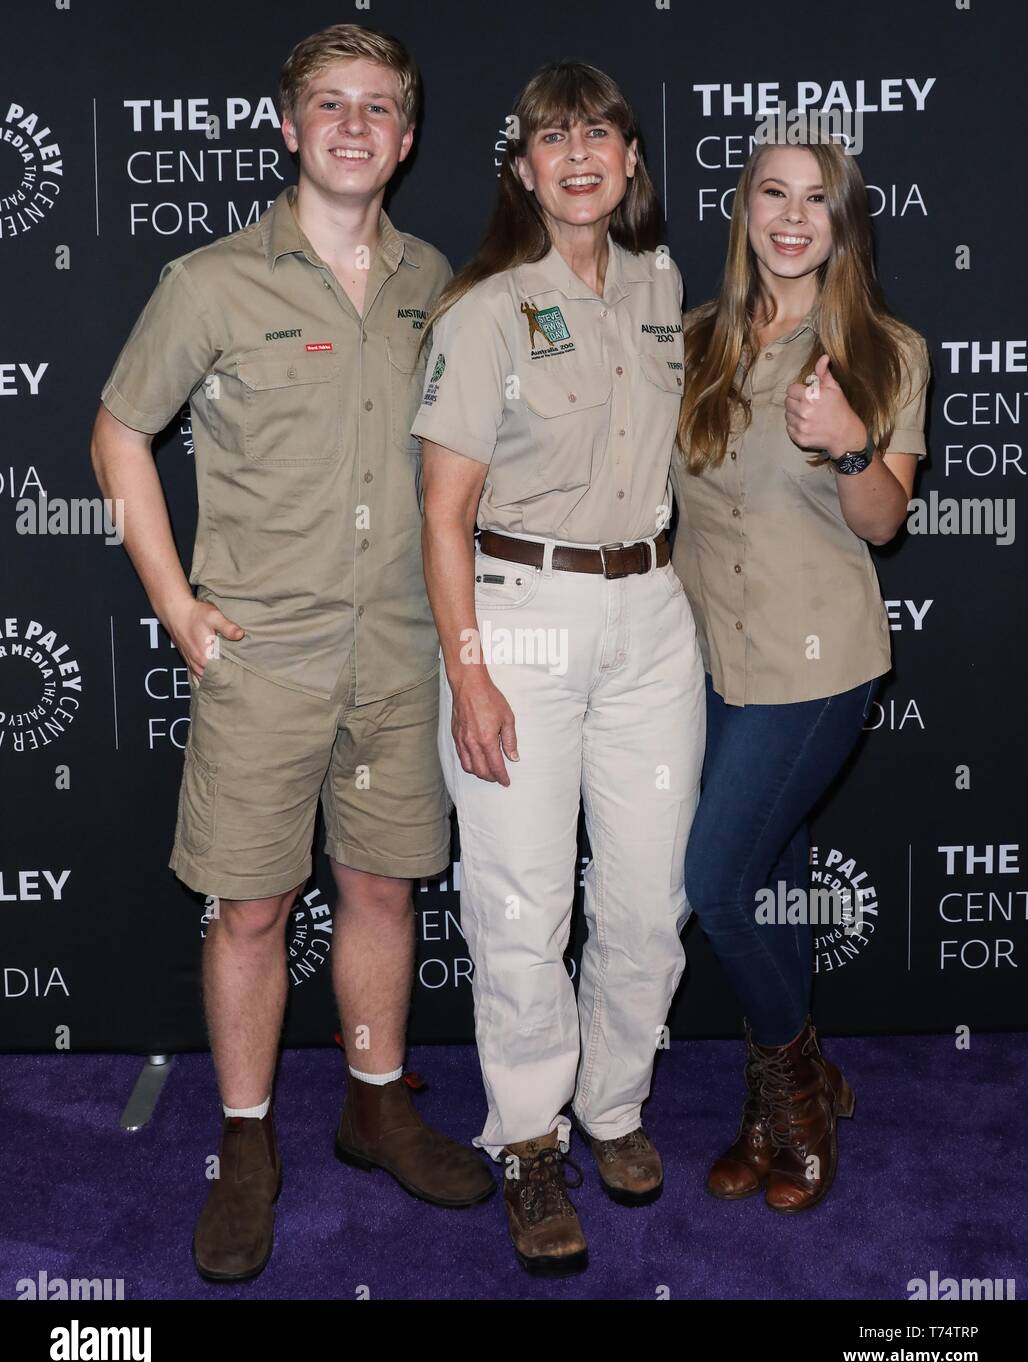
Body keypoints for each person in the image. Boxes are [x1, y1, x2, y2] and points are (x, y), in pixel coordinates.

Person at [90, 23, 493, 1284]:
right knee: (252, 905)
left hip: (401, 648)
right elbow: (117, 436)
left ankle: (375, 1102)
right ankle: (248, 1142)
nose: (355, 125)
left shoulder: (439, 278)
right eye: (330, 104)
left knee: (381, 888)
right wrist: (176, 604)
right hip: (261, 657)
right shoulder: (210, 281)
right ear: (288, 126)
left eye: (380, 107)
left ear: (409, 137)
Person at [414, 61, 706, 1275]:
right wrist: (470, 674)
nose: (578, 154)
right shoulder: (484, 310)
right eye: (552, 138)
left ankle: (614, 1104)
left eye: (600, 134)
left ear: (630, 160)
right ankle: (528, 1138)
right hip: (518, 611)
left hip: (649, 610)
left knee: (647, 899)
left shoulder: (659, 284)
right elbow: (442, 517)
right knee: (524, 904)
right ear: (522, 167)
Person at [672, 126, 930, 1212]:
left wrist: (847, 443)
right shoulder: (694, 342)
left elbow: (882, 522)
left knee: (717, 883)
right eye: (769, 193)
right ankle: (778, 1096)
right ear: (741, 210)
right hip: (704, 661)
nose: (789, 216)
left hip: (816, 663)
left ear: (842, 220)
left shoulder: (882, 349)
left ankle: (797, 1094)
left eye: (814, 200)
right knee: (769, 887)